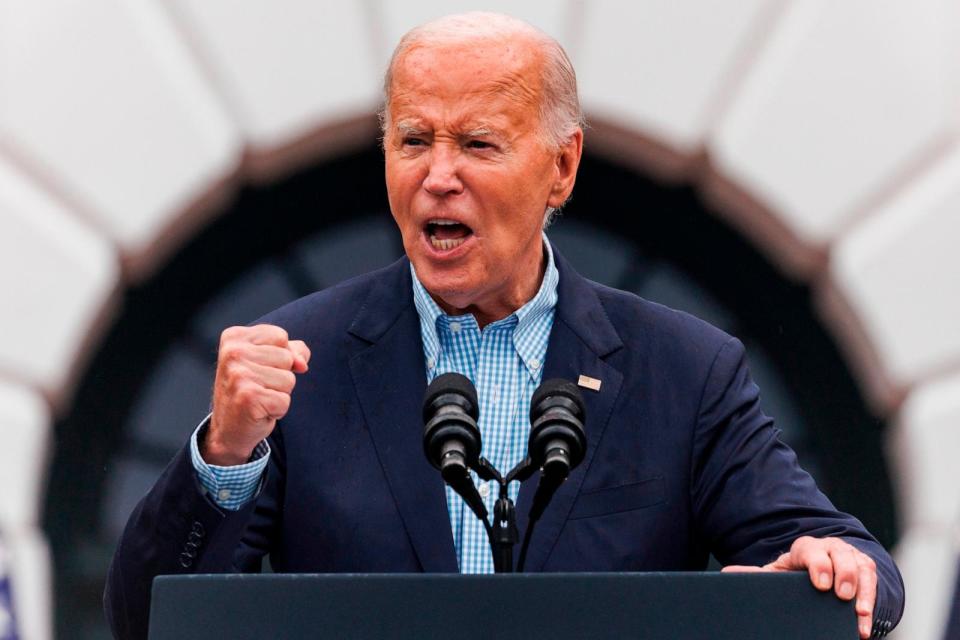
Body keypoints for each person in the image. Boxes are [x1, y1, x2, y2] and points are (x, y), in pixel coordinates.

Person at [105, 12, 903, 640]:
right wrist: (225, 453)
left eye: (478, 144)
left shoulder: (683, 371)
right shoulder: (297, 365)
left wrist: (837, 564)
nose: (438, 176)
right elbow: (147, 621)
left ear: (562, 165)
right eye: (413, 140)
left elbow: (857, 567)